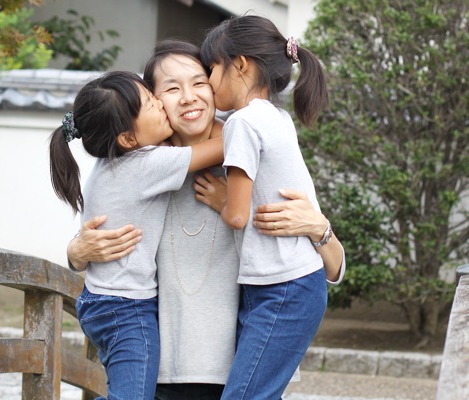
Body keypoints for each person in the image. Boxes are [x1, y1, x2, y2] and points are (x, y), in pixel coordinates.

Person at [67, 40, 345, 400]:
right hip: (162, 372)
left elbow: (332, 270)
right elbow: (98, 233)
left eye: (199, 82)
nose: (188, 97)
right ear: (152, 102)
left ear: (219, 82)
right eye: (170, 89)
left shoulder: (253, 147)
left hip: (238, 370)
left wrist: (319, 229)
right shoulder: (136, 163)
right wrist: (76, 251)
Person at [48, 70, 223, 400]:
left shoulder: (116, 162)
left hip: (105, 302)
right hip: (125, 309)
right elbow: (225, 147)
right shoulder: (147, 163)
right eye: (150, 102)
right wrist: (256, 119)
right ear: (128, 138)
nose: (161, 103)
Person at [199, 15, 334, 399]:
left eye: (211, 69)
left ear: (239, 64)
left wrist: (223, 201)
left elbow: (238, 215)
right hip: (292, 282)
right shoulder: (277, 117)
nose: (208, 83)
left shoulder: (243, 123)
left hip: (283, 288)